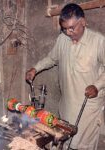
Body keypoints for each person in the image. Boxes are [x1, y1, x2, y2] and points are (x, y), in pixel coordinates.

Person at [26, 3, 105, 150]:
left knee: (83, 146)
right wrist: (35, 69)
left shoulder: (99, 42)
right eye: (64, 29)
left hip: (88, 107)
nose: (68, 32)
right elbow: (51, 59)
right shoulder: (62, 39)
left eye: (71, 28)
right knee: (66, 141)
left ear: (83, 22)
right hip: (67, 104)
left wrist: (97, 85)